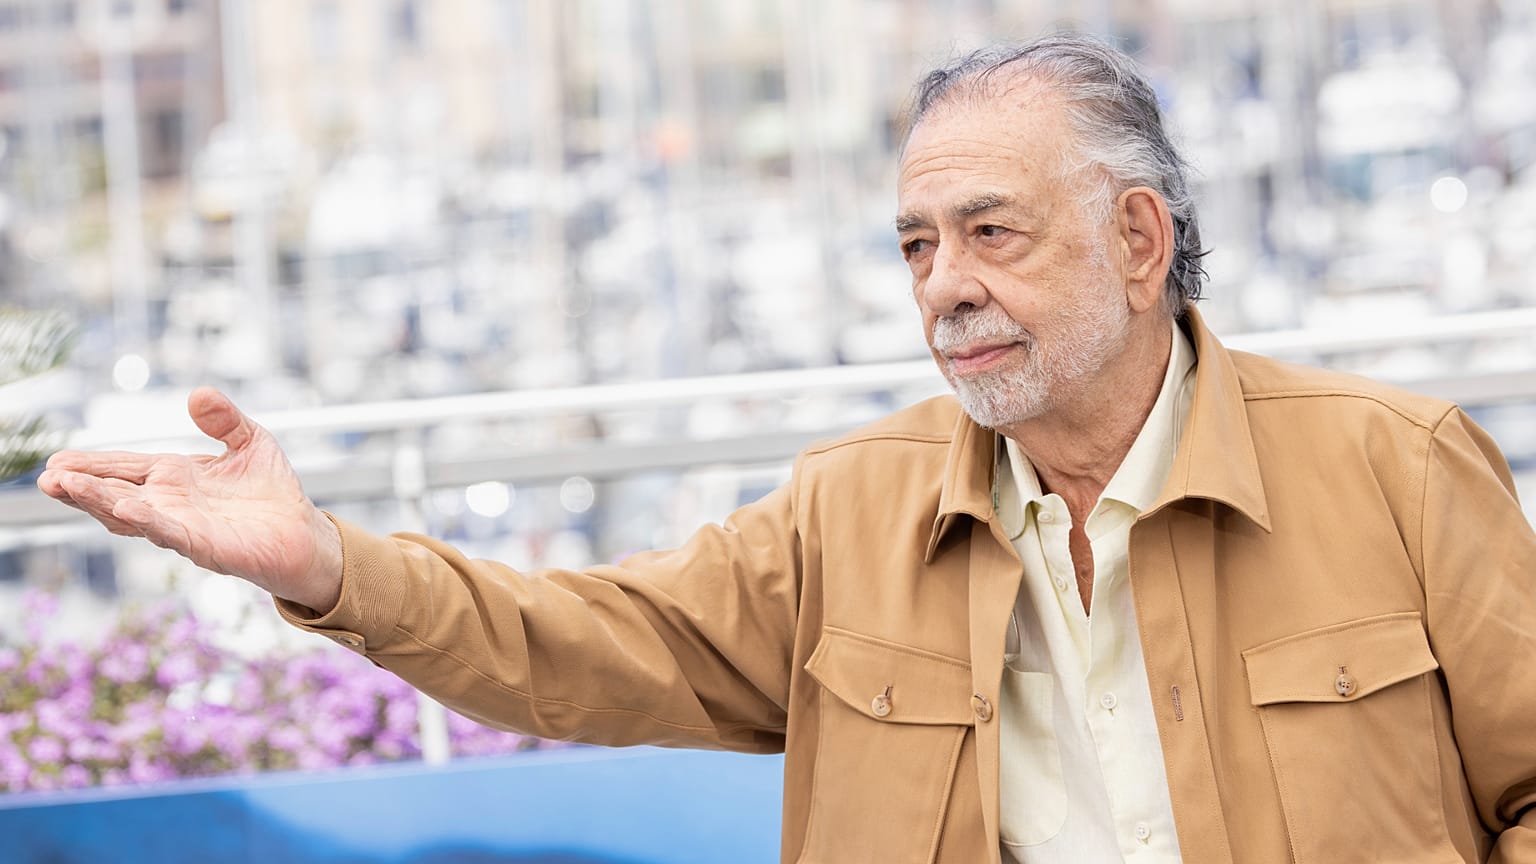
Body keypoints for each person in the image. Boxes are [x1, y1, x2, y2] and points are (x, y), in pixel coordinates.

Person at [36, 33, 1536, 864]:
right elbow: (582, 645)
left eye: (991, 234)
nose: (944, 283)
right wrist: (323, 565)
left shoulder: (1398, 469)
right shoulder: (847, 514)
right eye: (915, 244)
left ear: (1138, 241)